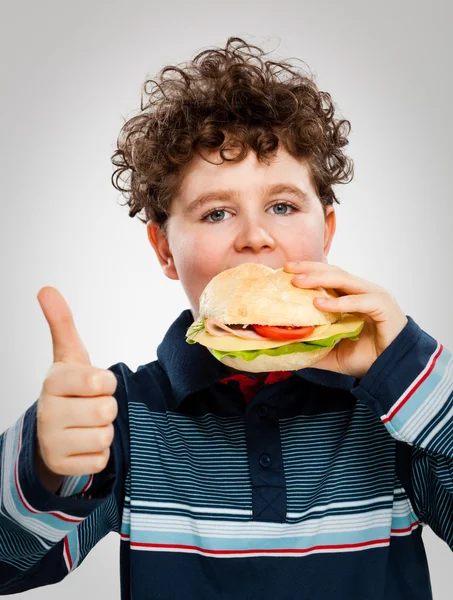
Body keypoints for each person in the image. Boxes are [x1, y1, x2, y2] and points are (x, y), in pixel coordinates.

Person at [0, 36, 451, 600]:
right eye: (216, 212)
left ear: (327, 234)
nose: (256, 236)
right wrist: (46, 470)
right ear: (165, 250)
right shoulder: (121, 417)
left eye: (282, 206)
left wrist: (409, 368)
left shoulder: (401, 408)